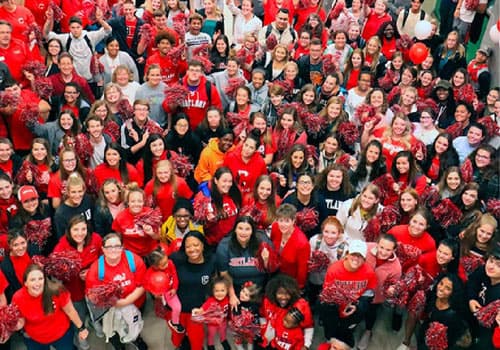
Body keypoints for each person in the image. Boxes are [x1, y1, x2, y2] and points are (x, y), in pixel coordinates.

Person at [85, 232, 148, 350]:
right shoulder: (96, 269)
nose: (113, 250)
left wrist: (124, 302)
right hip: (110, 311)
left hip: (136, 304)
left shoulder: (134, 260)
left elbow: (143, 284)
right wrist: (109, 300)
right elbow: (92, 295)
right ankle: (119, 346)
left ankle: (136, 339)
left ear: (122, 247)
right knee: (114, 330)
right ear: (103, 249)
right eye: (109, 247)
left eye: (117, 246)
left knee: (133, 324)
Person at [12, 264, 89, 349]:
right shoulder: (18, 298)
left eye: (40, 279)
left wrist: (81, 328)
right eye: (32, 280)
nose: (37, 283)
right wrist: (16, 326)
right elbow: (21, 320)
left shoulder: (56, 290)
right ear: (25, 283)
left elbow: (70, 311)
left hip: (62, 335)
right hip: (36, 339)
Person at [53, 216, 102, 350]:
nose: (80, 233)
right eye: (75, 229)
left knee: (96, 310)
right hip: (73, 291)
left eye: (83, 229)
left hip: (93, 287)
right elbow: (56, 273)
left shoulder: (96, 239)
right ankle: (81, 341)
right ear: (69, 231)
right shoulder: (61, 247)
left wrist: (92, 271)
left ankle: (95, 323)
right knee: (78, 316)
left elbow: (104, 259)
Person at [320, 240, 377, 347]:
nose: (356, 259)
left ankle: (346, 331)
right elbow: (327, 294)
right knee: (326, 308)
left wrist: (356, 305)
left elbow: (369, 292)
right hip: (336, 303)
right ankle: (329, 336)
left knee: (362, 307)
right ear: (346, 255)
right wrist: (341, 308)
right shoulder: (334, 270)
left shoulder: (369, 272)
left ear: (364, 259)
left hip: (354, 304)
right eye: (353, 254)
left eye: (360, 256)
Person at [169, 231, 217, 350]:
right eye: (188, 246)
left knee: (197, 341)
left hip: (197, 310)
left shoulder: (212, 260)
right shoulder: (175, 259)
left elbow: (218, 285)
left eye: (196, 245)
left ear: (203, 245)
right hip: (177, 310)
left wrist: (207, 307)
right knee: (177, 339)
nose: (192, 249)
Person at [358, 234, 401, 350]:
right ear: (377, 244)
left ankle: (368, 331)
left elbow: (394, 283)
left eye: (388, 250)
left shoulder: (396, 267)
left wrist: (392, 289)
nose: (383, 252)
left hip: (376, 295)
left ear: (394, 250)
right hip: (358, 289)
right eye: (381, 247)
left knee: (371, 313)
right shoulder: (366, 248)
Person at [413, 273, 471, 350]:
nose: (441, 288)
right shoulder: (433, 296)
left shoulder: (453, 315)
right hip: (424, 334)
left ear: (453, 293)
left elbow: (450, 340)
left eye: (447, 288)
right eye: (441, 283)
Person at [163, 60, 222, 130]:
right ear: (187, 72)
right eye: (191, 70)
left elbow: (218, 109)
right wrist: (173, 105)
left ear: (201, 73)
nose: (194, 73)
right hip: (181, 129)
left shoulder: (209, 87)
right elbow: (166, 107)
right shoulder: (178, 86)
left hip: (202, 129)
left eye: (197, 71)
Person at [260, 274, 314, 349]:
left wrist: (306, 345)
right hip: (272, 342)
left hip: (291, 344)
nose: (284, 297)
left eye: (287, 293)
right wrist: (265, 332)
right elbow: (263, 316)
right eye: (280, 293)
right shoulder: (268, 301)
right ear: (274, 292)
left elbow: (308, 327)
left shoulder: (301, 306)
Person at [307, 217, 348, 305]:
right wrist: (316, 260)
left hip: (332, 281)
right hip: (316, 277)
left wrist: (330, 264)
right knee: (313, 296)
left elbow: (344, 268)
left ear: (339, 234)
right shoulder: (315, 240)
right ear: (322, 231)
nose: (329, 236)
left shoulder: (344, 247)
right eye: (326, 232)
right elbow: (308, 258)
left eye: (333, 233)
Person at [112, 184, 160, 257]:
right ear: (128, 202)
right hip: (130, 254)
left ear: (144, 202)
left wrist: (151, 233)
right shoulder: (120, 217)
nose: (136, 204)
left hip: (150, 252)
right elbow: (118, 238)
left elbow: (158, 237)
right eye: (133, 201)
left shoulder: (151, 214)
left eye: (139, 201)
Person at [270, 204, 310, 289]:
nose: (283, 224)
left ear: (293, 221)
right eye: (280, 220)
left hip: (290, 281)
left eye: (287, 221)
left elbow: (302, 270)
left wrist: (298, 287)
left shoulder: (302, 243)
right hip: (273, 273)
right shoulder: (275, 228)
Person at [144, 247, 184, 333]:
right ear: (154, 266)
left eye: (167, 261)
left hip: (169, 291)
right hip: (160, 294)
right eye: (163, 264)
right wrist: (154, 293)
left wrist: (174, 288)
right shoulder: (149, 273)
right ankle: (164, 312)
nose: (167, 265)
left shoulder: (170, 263)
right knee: (161, 308)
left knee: (177, 307)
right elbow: (146, 285)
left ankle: (175, 323)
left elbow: (174, 275)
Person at [8, 185, 53, 255]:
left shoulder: (46, 209)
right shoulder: (16, 221)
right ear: (20, 203)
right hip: (31, 255)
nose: (31, 204)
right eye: (26, 201)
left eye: (33, 199)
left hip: (51, 251)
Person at [224, 130, 267, 199]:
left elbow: (263, 181)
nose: (247, 149)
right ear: (243, 144)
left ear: (256, 150)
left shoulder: (260, 162)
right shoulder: (230, 157)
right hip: (230, 195)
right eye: (246, 145)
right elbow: (222, 176)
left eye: (251, 147)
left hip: (250, 198)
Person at [192, 275, 231, 350]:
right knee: (211, 334)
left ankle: (223, 340)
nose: (220, 293)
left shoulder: (227, 299)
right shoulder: (210, 300)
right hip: (212, 323)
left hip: (223, 321)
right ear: (212, 291)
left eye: (222, 290)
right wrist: (198, 311)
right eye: (216, 291)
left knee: (223, 331)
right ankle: (210, 344)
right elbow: (203, 308)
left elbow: (229, 310)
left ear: (227, 290)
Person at [53, 173, 94, 239]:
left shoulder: (88, 200)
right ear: (68, 192)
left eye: (80, 191)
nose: (77, 195)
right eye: (73, 192)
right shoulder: (60, 213)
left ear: (84, 191)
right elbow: (62, 238)